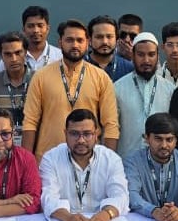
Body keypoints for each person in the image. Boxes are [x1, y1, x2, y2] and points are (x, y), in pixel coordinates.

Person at [21, 20, 119, 159]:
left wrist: (108, 161)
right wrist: (26, 162)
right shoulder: (41, 77)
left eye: (80, 40)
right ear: (60, 42)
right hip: (48, 160)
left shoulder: (101, 78)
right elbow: (30, 122)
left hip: (89, 161)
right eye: (69, 40)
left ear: (87, 43)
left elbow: (111, 125)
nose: (75, 45)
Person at [39, 109, 129, 221]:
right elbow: (48, 198)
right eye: (74, 134)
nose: (81, 140)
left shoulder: (111, 159)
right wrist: (67, 217)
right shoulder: (51, 159)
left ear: (96, 134)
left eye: (87, 134)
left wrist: (107, 214)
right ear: (65, 134)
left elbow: (121, 196)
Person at [123, 113, 178, 221]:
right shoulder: (132, 162)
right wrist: (154, 211)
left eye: (169, 140)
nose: (164, 145)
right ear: (146, 138)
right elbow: (131, 195)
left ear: (176, 140)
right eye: (158, 139)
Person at [113, 33, 174, 157]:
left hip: (161, 160)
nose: (146, 60)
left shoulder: (169, 89)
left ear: (158, 56)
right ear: (133, 56)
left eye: (151, 55)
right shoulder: (117, 88)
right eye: (141, 55)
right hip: (126, 159)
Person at [0, 32, 33, 148]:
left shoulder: (39, 81)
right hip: (2, 147)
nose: (14, 59)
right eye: (8, 54)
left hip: (34, 146)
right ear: (1, 56)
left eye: (18, 53)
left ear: (26, 53)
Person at [6, 5, 62, 73]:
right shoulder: (10, 58)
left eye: (40, 26)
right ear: (23, 30)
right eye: (30, 26)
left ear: (47, 29)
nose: (36, 30)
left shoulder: (60, 56)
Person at [85, 15, 133, 81]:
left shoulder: (129, 69)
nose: (105, 42)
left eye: (109, 37)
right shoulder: (77, 66)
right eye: (99, 37)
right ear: (90, 40)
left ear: (117, 39)